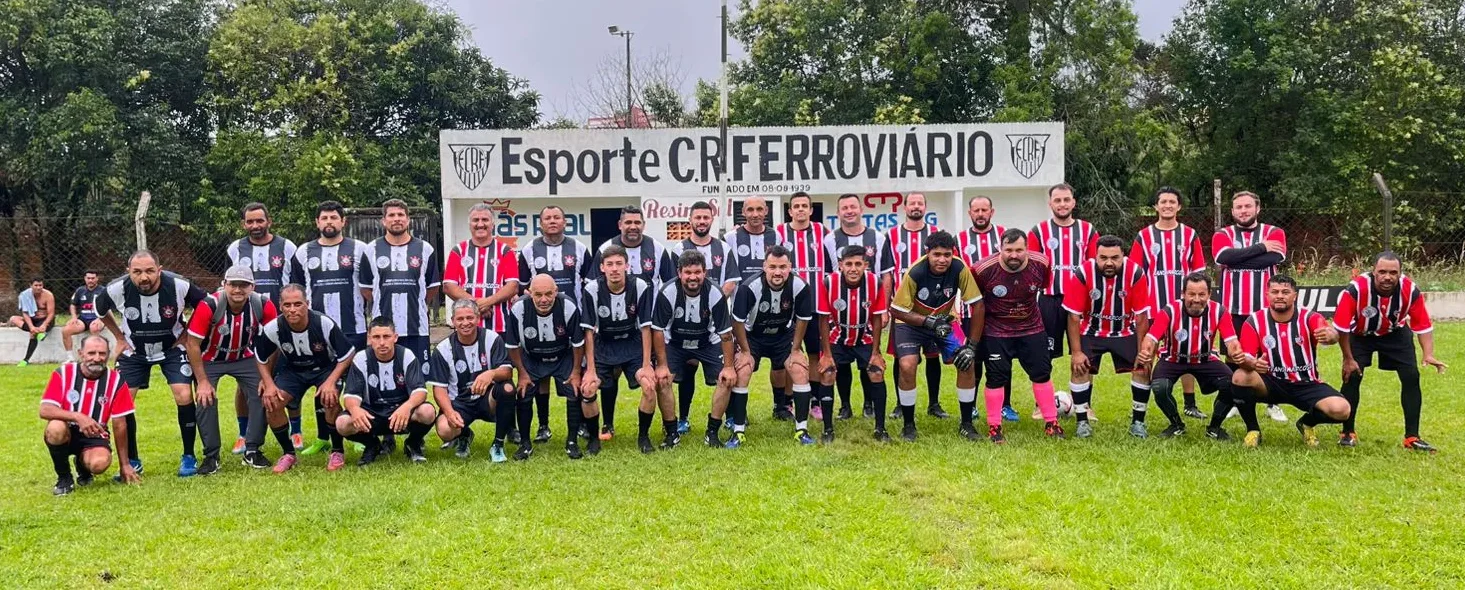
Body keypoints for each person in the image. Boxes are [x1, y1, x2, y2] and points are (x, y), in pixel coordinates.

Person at [95, 250, 209, 477]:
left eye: (149, 271)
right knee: (123, 401)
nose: (144, 277)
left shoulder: (178, 285)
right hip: (134, 351)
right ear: (128, 272)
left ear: (160, 270)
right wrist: (119, 337)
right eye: (137, 272)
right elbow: (100, 309)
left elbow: (206, 305)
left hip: (171, 349)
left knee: (184, 395)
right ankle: (132, 460)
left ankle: (188, 456)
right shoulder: (117, 288)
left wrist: (187, 333)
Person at [1332, 251, 1447, 452]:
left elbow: (1422, 325)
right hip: (1360, 334)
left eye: (1393, 272)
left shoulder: (1410, 290)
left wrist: (1428, 354)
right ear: (1373, 271)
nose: (1387, 277)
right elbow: (1342, 329)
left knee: (1411, 376)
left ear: (1400, 273)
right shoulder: (1355, 290)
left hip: (1395, 332)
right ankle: (1347, 432)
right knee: (1352, 375)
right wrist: (1348, 359)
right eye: (1382, 272)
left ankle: (1412, 437)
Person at [288, 200, 371, 456]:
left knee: (356, 382)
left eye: (334, 217)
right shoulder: (303, 252)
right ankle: (324, 437)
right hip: (317, 331)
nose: (329, 222)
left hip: (353, 328)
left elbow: (369, 288)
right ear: (317, 222)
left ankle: (356, 432)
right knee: (323, 382)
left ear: (343, 221)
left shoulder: (359, 249)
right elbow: (297, 290)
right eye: (324, 218)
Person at [357, 198, 440, 453]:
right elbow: (367, 290)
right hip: (384, 331)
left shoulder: (424, 249)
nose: (396, 219)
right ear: (384, 220)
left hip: (416, 329)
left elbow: (431, 289)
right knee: (384, 381)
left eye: (401, 215)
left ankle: (415, 436)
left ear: (408, 219)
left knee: (416, 381)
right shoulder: (371, 249)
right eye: (391, 215)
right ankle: (387, 435)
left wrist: (414, 306)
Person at [1231, 275, 1349, 448]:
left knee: (1342, 410)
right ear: (1267, 295)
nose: (1280, 296)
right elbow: (1247, 358)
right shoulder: (1254, 321)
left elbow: (1329, 333)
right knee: (1240, 376)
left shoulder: (1309, 317)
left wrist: (1331, 336)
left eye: (1285, 292)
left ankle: (1306, 423)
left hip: (1306, 383)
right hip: (1271, 382)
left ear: (1295, 296)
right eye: (1275, 292)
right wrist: (1253, 364)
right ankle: (1253, 430)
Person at [971, 229, 1066, 443]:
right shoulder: (982, 269)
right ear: (1000, 249)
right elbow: (975, 299)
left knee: (1042, 373)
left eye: (1019, 250)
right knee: (996, 377)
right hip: (996, 330)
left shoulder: (1041, 263)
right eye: (1008, 250)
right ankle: (995, 427)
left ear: (1027, 249)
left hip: (1031, 328)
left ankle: (1052, 423)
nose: (1014, 255)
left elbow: (1043, 285)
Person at [888, 231, 984, 442]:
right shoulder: (915, 272)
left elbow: (978, 304)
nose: (942, 260)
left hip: (944, 320)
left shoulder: (959, 268)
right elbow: (896, 310)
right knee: (907, 365)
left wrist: (972, 346)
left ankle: (967, 424)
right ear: (927, 253)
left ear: (953, 253)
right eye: (937, 254)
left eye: (947, 255)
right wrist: (928, 322)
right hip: (911, 323)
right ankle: (908, 425)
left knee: (967, 361)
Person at [184, 265, 278, 475]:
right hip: (210, 359)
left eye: (243, 285)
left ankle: (252, 449)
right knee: (205, 398)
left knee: (261, 393)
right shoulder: (209, 305)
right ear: (224, 284)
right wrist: (202, 381)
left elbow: (273, 341)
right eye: (233, 284)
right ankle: (211, 456)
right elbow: (192, 344)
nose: (238, 290)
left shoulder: (263, 304)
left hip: (245, 357)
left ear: (252, 286)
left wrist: (267, 377)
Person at [255, 285, 356, 471]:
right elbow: (261, 358)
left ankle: (337, 451)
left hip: (325, 369)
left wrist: (331, 382)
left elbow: (347, 354)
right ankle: (288, 454)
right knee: (272, 403)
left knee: (329, 398)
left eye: (298, 304)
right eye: (287, 305)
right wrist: (268, 384)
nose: (292, 309)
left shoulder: (323, 323)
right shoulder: (273, 328)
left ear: (307, 304)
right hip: (294, 370)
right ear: (280, 306)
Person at [1135, 273, 1246, 440]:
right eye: (1191, 294)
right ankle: (1176, 424)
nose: (1196, 299)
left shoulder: (1219, 311)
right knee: (1160, 388)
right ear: (1183, 294)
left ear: (1209, 294)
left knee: (1233, 384)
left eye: (1202, 294)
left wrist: (1235, 351)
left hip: (1205, 359)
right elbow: (1151, 338)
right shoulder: (1170, 310)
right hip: (1173, 359)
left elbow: (1231, 341)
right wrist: (1145, 351)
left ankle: (1214, 427)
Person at [517, 205, 595, 442]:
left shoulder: (579, 248)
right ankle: (543, 426)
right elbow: (523, 287)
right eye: (547, 218)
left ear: (565, 222)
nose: (552, 221)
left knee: (576, 371)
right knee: (541, 376)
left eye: (557, 217)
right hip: (539, 319)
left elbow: (589, 285)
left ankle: (581, 424)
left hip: (572, 320)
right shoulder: (529, 250)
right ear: (540, 223)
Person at [1212, 191, 1290, 424]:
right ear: (1232, 211)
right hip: (1233, 308)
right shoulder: (1222, 234)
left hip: (1265, 310)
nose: (1243, 211)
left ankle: (1272, 403)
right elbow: (1223, 257)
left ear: (1258, 208)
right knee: (1233, 356)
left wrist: (1238, 258)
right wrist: (1261, 247)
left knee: (1269, 354)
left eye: (1248, 206)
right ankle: (1235, 401)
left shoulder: (1274, 232)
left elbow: (1274, 259)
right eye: (1239, 207)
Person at [1062, 235, 1152, 438]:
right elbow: (1074, 316)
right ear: (1095, 256)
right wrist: (1076, 352)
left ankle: (1138, 422)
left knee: (1143, 367)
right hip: (1091, 330)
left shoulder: (1136, 272)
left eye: (1114, 258)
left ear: (1123, 256)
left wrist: (1142, 351)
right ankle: (1082, 421)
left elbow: (1141, 317)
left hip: (1125, 330)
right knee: (1079, 367)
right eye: (1103, 258)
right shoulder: (1083, 272)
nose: (1109, 263)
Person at [1131, 187, 1210, 419]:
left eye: (1172, 202)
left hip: (1184, 309)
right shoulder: (1144, 236)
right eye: (1163, 202)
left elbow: (1199, 272)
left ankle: (1190, 403)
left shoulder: (1190, 235)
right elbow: (1135, 274)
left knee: (1186, 352)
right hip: (1152, 307)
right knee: (1146, 353)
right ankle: (1141, 407)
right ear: (1155, 206)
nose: (1167, 205)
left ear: (1179, 206)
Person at [579, 245, 667, 452]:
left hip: (632, 344)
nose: (614, 268)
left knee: (649, 386)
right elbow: (588, 332)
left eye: (619, 263)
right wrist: (590, 369)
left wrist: (647, 364)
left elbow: (645, 327)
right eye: (609, 264)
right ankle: (594, 440)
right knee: (588, 389)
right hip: (604, 345)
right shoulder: (592, 289)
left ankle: (643, 437)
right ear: (602, 267)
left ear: (627, 266)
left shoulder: (640, 286)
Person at [730, 245, 815, 445]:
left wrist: (796, 350)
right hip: (753, 336)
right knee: (743, 370)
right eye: (773, 267)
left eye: (782, 267)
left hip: (783, 336)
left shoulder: (800, 286)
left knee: (799, 369)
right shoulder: (749, 288)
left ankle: (801, 430)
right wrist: (745, 351)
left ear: (790, 267)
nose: (777, 272)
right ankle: (738, 430)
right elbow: (737, 322)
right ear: (764, 267)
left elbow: (803, 319)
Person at [652, 250, 737, 448]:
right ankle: (671, 433)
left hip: (707, 342)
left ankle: (712, 432)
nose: (693, 277)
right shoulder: (667, 292)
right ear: (679, 273)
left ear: (705, 272)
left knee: (726, 379)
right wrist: (662, 365)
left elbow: (725, 334)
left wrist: (729, 367)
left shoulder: (715, 293)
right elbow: (657, 330)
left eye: (697, 272)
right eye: (688, 272)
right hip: (675, 343)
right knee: (662, 380)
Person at [821, 193, 895, 419]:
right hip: (841, 312)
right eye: (844, 208)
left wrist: (884, 309)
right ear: (838, 212)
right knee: (841, 363)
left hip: (869, 308)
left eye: (853, 206)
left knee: (868, 361)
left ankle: (869, 404)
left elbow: (886, 275)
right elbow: (828, 277)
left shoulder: (878, 237)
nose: (849, 211)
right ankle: (845, 405)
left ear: (861, 209)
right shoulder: (830, 239)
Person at [40, 335, 139, 495]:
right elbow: (45, 410)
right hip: (67, 430)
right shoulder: (64, 373)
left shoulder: (116, 380)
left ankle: (83, 466)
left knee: (100, 464)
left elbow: (120, 424)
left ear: (108, 355)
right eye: (91, 353)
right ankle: (64, 478)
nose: (97, 358)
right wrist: (78, 417)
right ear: (81, 353)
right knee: (55, 427)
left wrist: (125, 464)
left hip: (95, 434)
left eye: (102, 353)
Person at [505, 275, 591, 459]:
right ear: (529, 293)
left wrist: (576, 371)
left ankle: (572, 442)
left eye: (548, 294)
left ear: (556, 292)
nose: (543, 299)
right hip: (532, 357)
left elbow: (578, 344)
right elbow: (512, 346)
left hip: (563, 356)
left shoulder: (568, 306)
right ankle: (525, 444)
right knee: (523, 392)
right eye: (538, 295)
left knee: (574, 390)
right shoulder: (518, 309)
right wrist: (522, 373)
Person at [886, 192, 950, 421]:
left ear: (925, 207)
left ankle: (934, 403)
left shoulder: (936, 233)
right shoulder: (891, 235)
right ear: (904, 207)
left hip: (932, 307)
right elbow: (887, 274)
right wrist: (887, 305)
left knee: (933, 356)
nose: (916, 206)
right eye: (912, 203)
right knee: (901, 358)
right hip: (903, 309)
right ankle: (900, 404)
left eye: (920, 203)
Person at [337, 317, 437, 465]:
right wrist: (355, 410)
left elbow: (420, 391)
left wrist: (407, 407)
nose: (382, 342)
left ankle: (413, 443)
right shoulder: (361, 358)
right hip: (372, 414)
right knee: (342, 423)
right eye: (376, 337)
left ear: (395, 337)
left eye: (386, 336)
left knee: (427, 412)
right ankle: (372, 445)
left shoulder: (407, 355)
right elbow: (351, 396)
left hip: (401, 413)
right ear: (369, 339)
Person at [817, 246, 891, 441]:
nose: (853, 269)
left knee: (876, 372)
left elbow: (877, 318)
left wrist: (876, 353)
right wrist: (827, 355)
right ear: (840, 265)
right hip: (837, 336)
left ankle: (880, 429)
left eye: (858, 264)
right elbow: (823, 319)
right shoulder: (828, 282)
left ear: (865, 265)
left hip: (864, 336)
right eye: (848, 264)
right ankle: (827, 430)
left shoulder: (875, 282)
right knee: (828, 373)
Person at [428, 300, 515, 462]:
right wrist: (449, 412)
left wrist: (491, 374)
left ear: (477, 318)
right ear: (453, 321)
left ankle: (498, 444)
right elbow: (439, 390)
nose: (465, 323)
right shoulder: (443, 349)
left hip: (487, 399)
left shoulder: (492, 338)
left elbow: (507, 371)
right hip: (460, 402)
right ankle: (464, 434)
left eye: (470, 318)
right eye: (460, 319)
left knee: (508, 389)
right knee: (444, 430)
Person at [955, 195, 1016, 422]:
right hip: (970, 310)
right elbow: (955, 273)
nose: (980, 214)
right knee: (973, 357)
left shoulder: (1005, 235)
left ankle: (1005, 405)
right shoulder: (959, 239)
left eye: (984, 210)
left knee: (1003, 358)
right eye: (976, 210)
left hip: (1001, 310)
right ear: (969, 213)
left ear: (992, 211)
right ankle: (970, 405)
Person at [1028, 184, 1099, 366]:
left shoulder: (1087, 230)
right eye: (1057, 200)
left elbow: (1094, 266)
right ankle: (1045, 385)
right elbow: (1032, 268)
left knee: (1083, 353)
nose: (1062, 204)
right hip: (1050, 300)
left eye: (1066, 200)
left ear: (1073, 202)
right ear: (1050, 204)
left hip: (1080, 300)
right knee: (1045, 354)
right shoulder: (1038, 231)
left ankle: (1080, 386)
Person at [776, 191, 829, 420]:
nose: (800, 209)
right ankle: (788, 402)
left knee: (815, 354)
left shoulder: (823, 232)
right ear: (790, 211)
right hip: (789, 308)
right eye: (796, 206)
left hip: (816, 306)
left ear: (810, 210)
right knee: (790, 354)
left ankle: (816, 401)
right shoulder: (779, 233)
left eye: (804, 206)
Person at [443, 202, 522, 333]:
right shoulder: (458, 251)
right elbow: (449, 286)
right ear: (469, 224)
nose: (480, 224)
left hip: (500, 324)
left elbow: (513, 286)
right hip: (467, 325)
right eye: (475, 220)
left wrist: (488, 302)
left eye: (485, 220)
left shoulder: (505, 251)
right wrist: (476, 305)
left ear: (493, 224)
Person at [227, 203, 297, 306]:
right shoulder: (235, 248)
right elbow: (228, 284)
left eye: (260, 221)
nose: (255, 226)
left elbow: (297, 284)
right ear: (243, 224)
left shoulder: (287, 246)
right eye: (250, 222)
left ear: (269, 222)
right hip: (247, 311)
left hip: (281, 311)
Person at [594, 205, 676, 287]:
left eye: (637, 223)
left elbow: (671, 284)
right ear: (620, 225)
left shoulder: (658, 249)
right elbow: (593, 285)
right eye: (628, 222)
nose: (633, 227)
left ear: (643, 225)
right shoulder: (604, 250)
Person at [671, 201, 739, 297]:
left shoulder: (724, 248)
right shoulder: (678, 249)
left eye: (706, 217)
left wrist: (716, 302)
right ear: (690, 220)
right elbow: (675, 283)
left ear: (712, 220)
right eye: (698, 217)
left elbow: (731, 282)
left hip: (717, 305)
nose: (702, 221)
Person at [9, 278, 54, 366]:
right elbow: (25, 313)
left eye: (40, 285)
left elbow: (51, 313)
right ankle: (39, 333)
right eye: (36, 285)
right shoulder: (25, 295)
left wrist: (44, 325)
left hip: (45, 320)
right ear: (31, 286)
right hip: (32, 319)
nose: (38, 287)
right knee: (13, 319)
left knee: (33, 334)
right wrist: (31, 327)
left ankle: (26, 360)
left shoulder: (48, 295)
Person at [62, 271, 106, 359]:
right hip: (83, 319)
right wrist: (74, 317)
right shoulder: (80, 290)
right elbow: (73, 305)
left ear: (97, 279)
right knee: (65, 331)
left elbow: (107, 307)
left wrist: (100, 319)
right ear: (85, 279)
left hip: (98, 318)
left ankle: (95, 355)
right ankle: (70, 358)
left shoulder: (103, 290)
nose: (90, 280)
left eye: (93, 278)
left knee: (94, 328)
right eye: (88, 278)